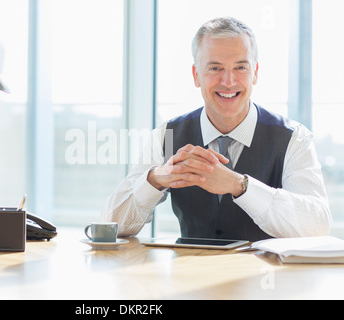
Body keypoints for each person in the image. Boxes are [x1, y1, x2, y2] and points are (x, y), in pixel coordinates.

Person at [101, 17, 332, 241]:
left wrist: (239, 186)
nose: (228, 81)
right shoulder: (167, 136)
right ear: (196, 75)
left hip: (266, 277)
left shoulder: (293, 138)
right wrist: (155, 179)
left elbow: (317, 226)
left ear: (255, 73)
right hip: (191, 276)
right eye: (215, 68)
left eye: (240, 67)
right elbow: (112, 225)